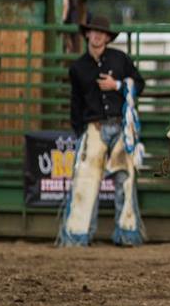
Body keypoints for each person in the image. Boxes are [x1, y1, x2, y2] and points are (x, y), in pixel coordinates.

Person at [58, 16, 146, 247]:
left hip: (120, 125)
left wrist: (116, 85)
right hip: (94, 127)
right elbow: (75, 103)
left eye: (102, 33)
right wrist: (80, 130)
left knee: (125, 179)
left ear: (107, 37)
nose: (97, 36)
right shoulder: (78, 68)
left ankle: (126, 233)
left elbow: (139, 84)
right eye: (93, 32)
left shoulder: (120, 60)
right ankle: (78, 234)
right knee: (86, 179)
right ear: (87, 34)